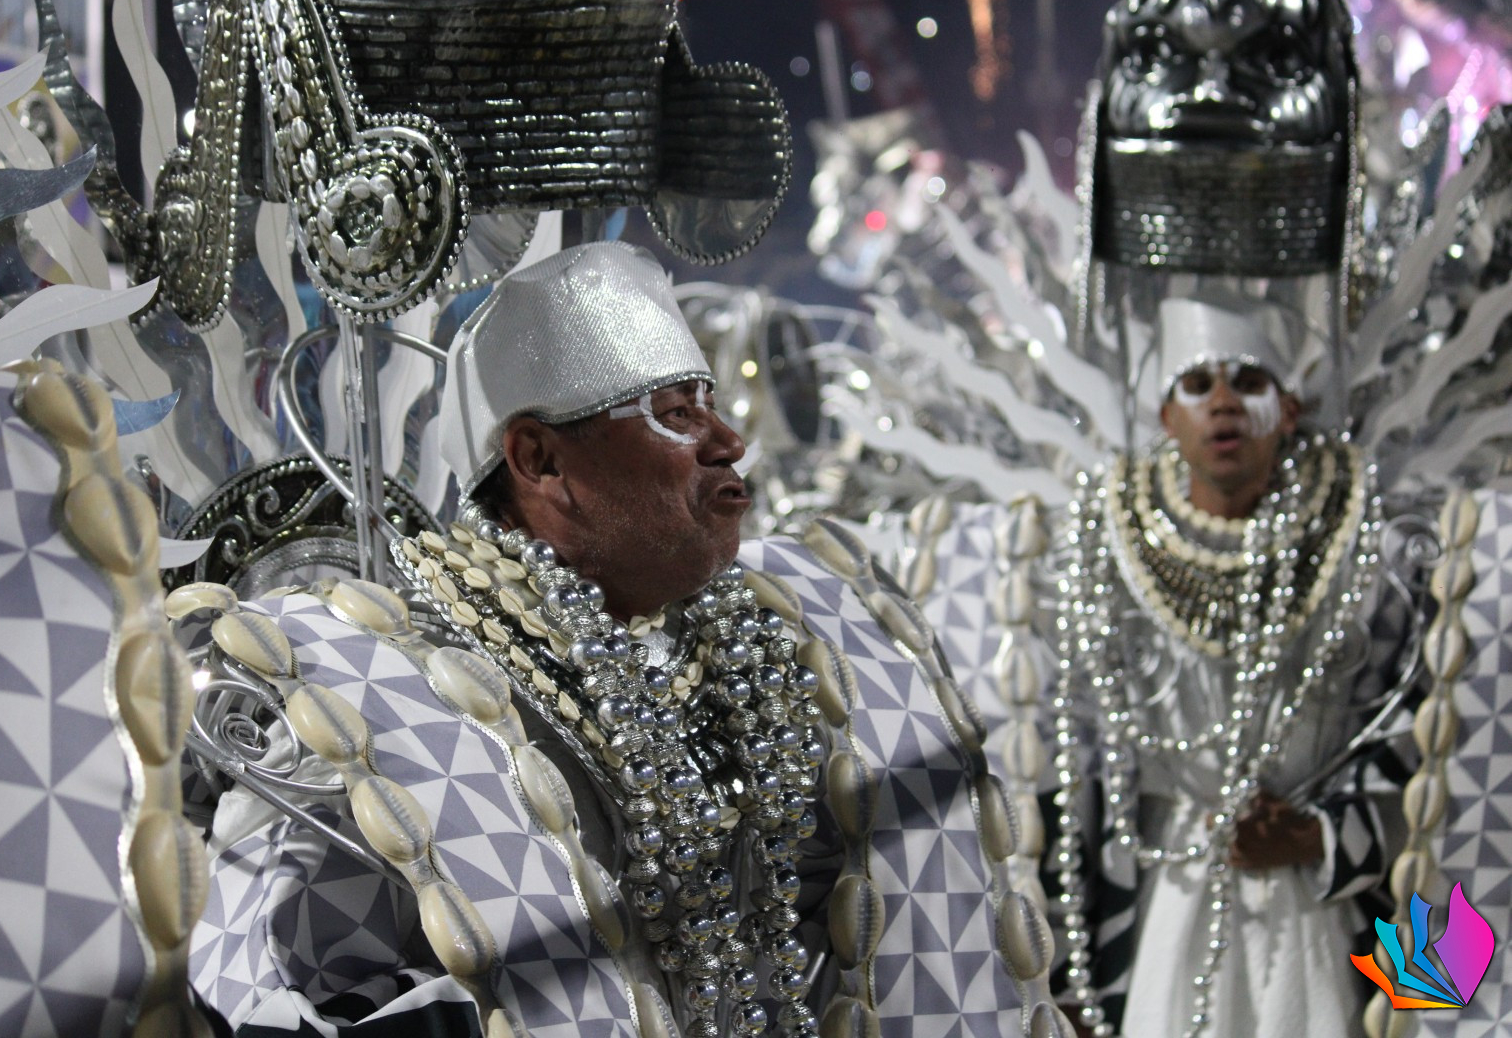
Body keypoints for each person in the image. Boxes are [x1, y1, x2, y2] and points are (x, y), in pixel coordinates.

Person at [189, 242, 1063, 1037]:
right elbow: (264, 993)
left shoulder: (790, 628)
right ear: (538, 460)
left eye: (710, 404)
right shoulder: (377, 696)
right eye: (676, 414)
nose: (730, 442)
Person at [1050, 296, 1400, 1037]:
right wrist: (1068, 969)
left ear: (1289, 410)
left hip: (1324, 900)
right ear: (1165, 418)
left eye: (1248, 381)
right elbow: (1075, 762)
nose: (1223, 404)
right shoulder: (1106, 553)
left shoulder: (1371, 553)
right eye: (1196, 384)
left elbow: (1419, 746)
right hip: (1168, 885)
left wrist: (1314, 838)